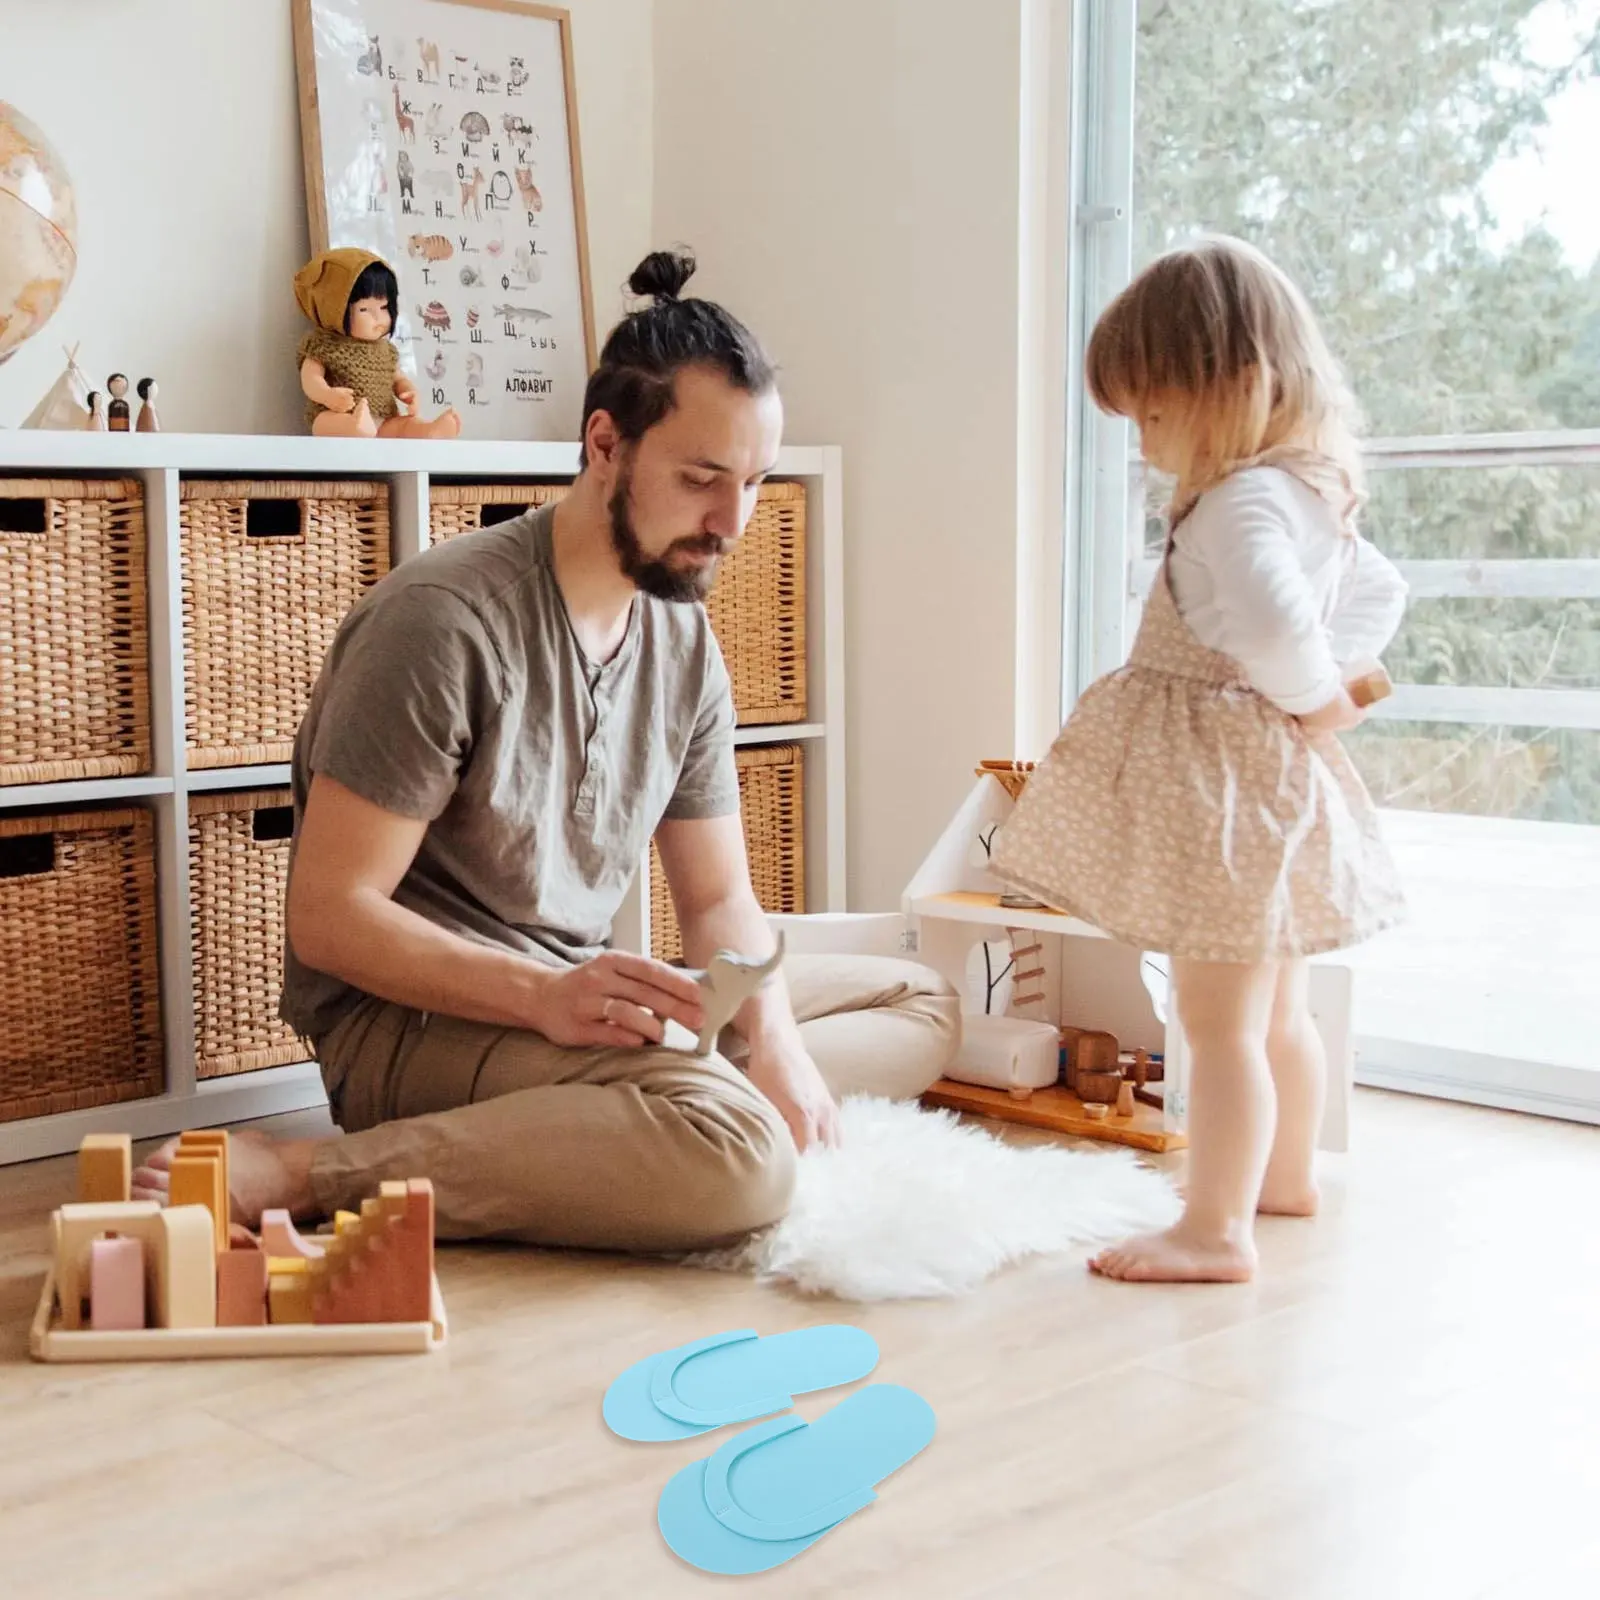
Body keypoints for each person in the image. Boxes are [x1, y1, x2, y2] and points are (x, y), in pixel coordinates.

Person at [133, 249, 959, 1249]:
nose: (732, 522)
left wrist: (774, 1043)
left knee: (917, 999)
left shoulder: (681, 639)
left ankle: (636, 1112)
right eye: (702, 479)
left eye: (752, 482)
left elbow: (713, 899)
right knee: (739, 1159)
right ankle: (312, 1171)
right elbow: (329, 921)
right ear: (604, 444)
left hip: (570, 987)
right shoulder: (442, 624)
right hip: (410, 1025)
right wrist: (546, 996)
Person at [992, 235, 1407, 1284]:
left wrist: (1315, 688)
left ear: (1231, 385)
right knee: (1275, 1010)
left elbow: (1269, 615)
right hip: (1270, 777)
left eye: (1153, 413)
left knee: (1211, 1020)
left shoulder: (1239, 502)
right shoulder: (1312, 491)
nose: (1143, 441)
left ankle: (1214, 1226)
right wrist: (1334, 686)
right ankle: (1283, 1178)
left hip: (1222, 784)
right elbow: (1380, 592)